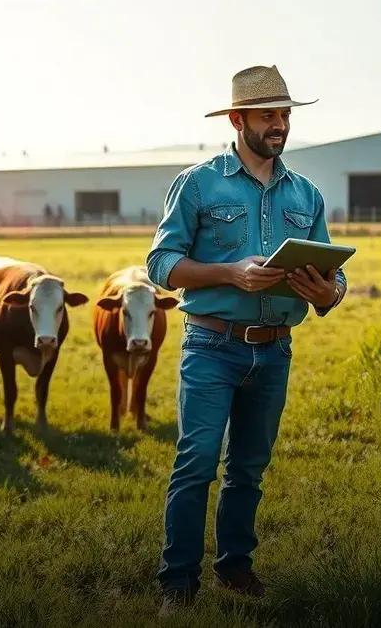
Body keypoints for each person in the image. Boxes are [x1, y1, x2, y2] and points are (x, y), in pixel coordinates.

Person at [146, 64, 347, 616]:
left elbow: (335, 275)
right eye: (267, 116)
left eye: (284, 115)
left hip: (275, 349)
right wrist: (230, 273)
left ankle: (235, 567)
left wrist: (327, 292)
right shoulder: (198, 183)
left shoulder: (307, 194)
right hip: (212, 346)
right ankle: (177, 584)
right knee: (197, 462)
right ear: (238, 120)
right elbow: (160, 264)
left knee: (249, 468)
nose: (279, 125)